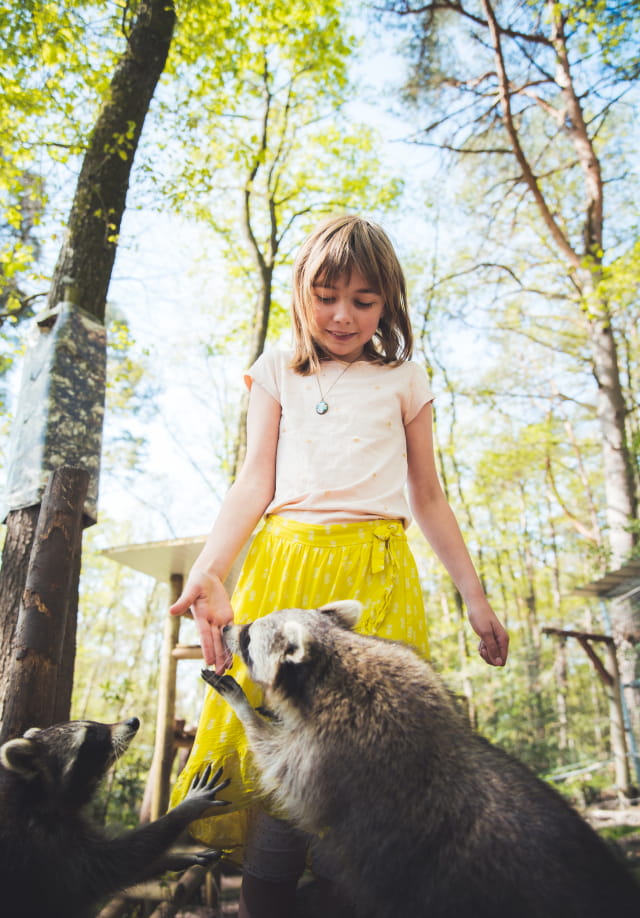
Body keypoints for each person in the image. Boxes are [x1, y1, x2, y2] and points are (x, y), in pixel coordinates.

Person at [168, 214, 509, 918]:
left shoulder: (405, 379)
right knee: (277, 781)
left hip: (375, 583)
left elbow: (430, 498)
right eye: (327, 295)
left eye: (363, 299)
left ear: (389, 302)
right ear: (301, 291)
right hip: (284, 572)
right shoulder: (275, 370)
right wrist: (211, 567)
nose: (343, 314)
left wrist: (475, 597)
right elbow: (252, 481)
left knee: (358, 780)